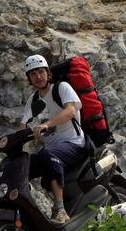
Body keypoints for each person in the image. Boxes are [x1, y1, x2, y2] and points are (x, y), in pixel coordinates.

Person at [19, 54, 89, 222]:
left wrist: (46, 125)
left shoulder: (61, 88)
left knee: (48, 155)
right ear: (29, 78)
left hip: (74, 143)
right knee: (21, 167)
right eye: (33, 74)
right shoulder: (33, 99)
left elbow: (70, 110)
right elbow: (23, 126)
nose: (38, 77)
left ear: (48, 73)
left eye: (41, 72)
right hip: (53, 149)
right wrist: (3, 143)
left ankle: (60, 210)